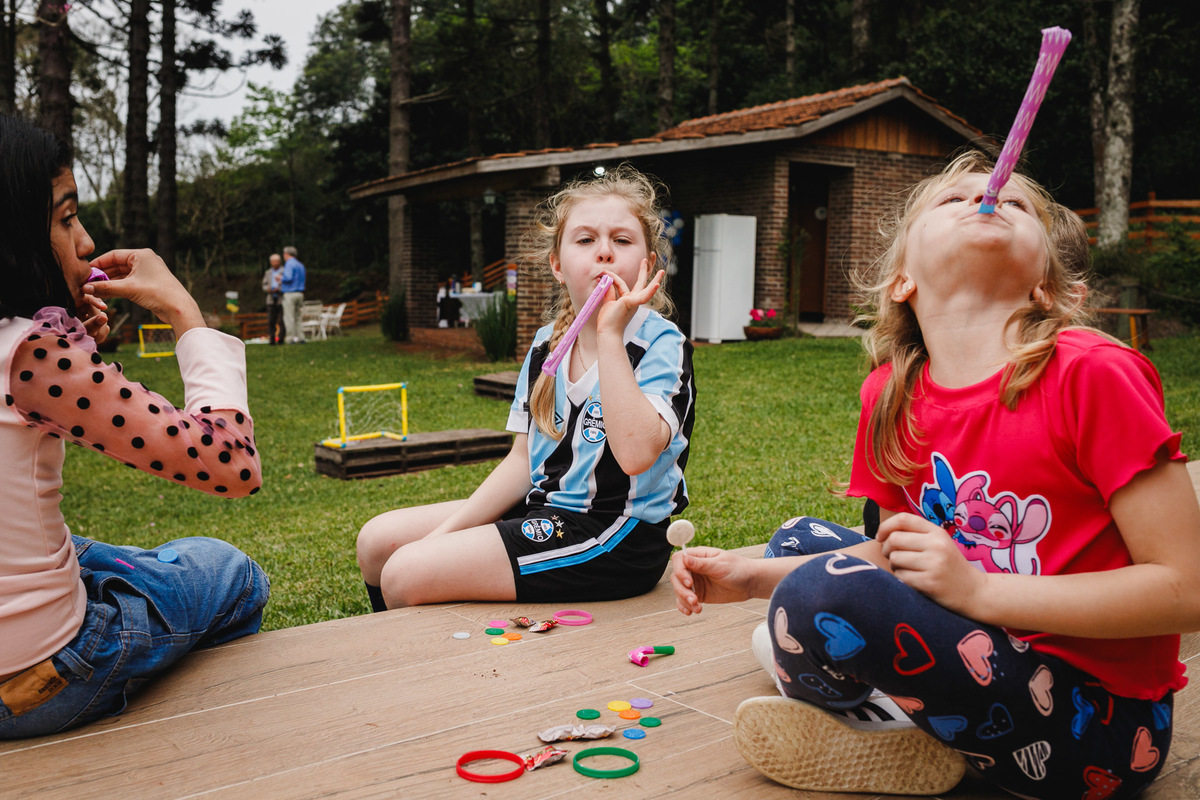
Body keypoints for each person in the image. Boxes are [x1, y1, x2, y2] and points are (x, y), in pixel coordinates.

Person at [669, 150, 1200, 799]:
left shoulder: (1092, 375)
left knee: (818, 596)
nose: (986, 197)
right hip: (975, 635)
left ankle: (880, 714)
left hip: (1096, 729)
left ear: (1043, 282)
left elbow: (1188, 588)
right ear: (903, 280)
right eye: (952, 199)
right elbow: (899, 557)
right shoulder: (891, 394)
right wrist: (751, 578)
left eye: (1016, 202)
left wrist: (980, 591)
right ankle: (899, 712)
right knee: (796, 543)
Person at [0, 114, 269, 739]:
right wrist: (182, 309)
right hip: (35, 681)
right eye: (67, 218)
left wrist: (75, 354)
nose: (86, 240)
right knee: (227, 569)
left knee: (88, 552)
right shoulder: (30, 355)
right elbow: (231, 464)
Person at [357, 166, 695, 611]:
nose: (604, 253)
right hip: (545, 509)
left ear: (647, 265)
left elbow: (635, 456)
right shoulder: (545, 346)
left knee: (406, 572)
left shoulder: (662, 345)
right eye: (585, 240)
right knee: (378, 542)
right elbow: (522, 463)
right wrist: (443, 534)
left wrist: (610, 335)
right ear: (557, 265)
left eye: (622, 240)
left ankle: (429, 653)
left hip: (618, 536)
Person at [279, 245, 306, 343]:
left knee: (289, 317)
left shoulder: (289, 264)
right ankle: (301, 337)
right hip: (300, 294)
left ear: (286, 254)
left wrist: (280, 278)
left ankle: (290, 338)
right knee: (298, 317)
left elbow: (288, 278)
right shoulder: (300, 265)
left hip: (290, 294)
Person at [262, 252, 285, 344]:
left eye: (277, 261)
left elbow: (287, 284)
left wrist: (278, 289)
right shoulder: (268, 273)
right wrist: (268, 289)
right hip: (271, 299)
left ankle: (281, 339)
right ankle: (271, 339)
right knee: (271, 320)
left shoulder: (284, 271)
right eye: (273, 262)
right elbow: (264, 285)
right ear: (271, 262)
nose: (275, 263)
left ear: (279, 262)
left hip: (281, 299)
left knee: (282, 320)